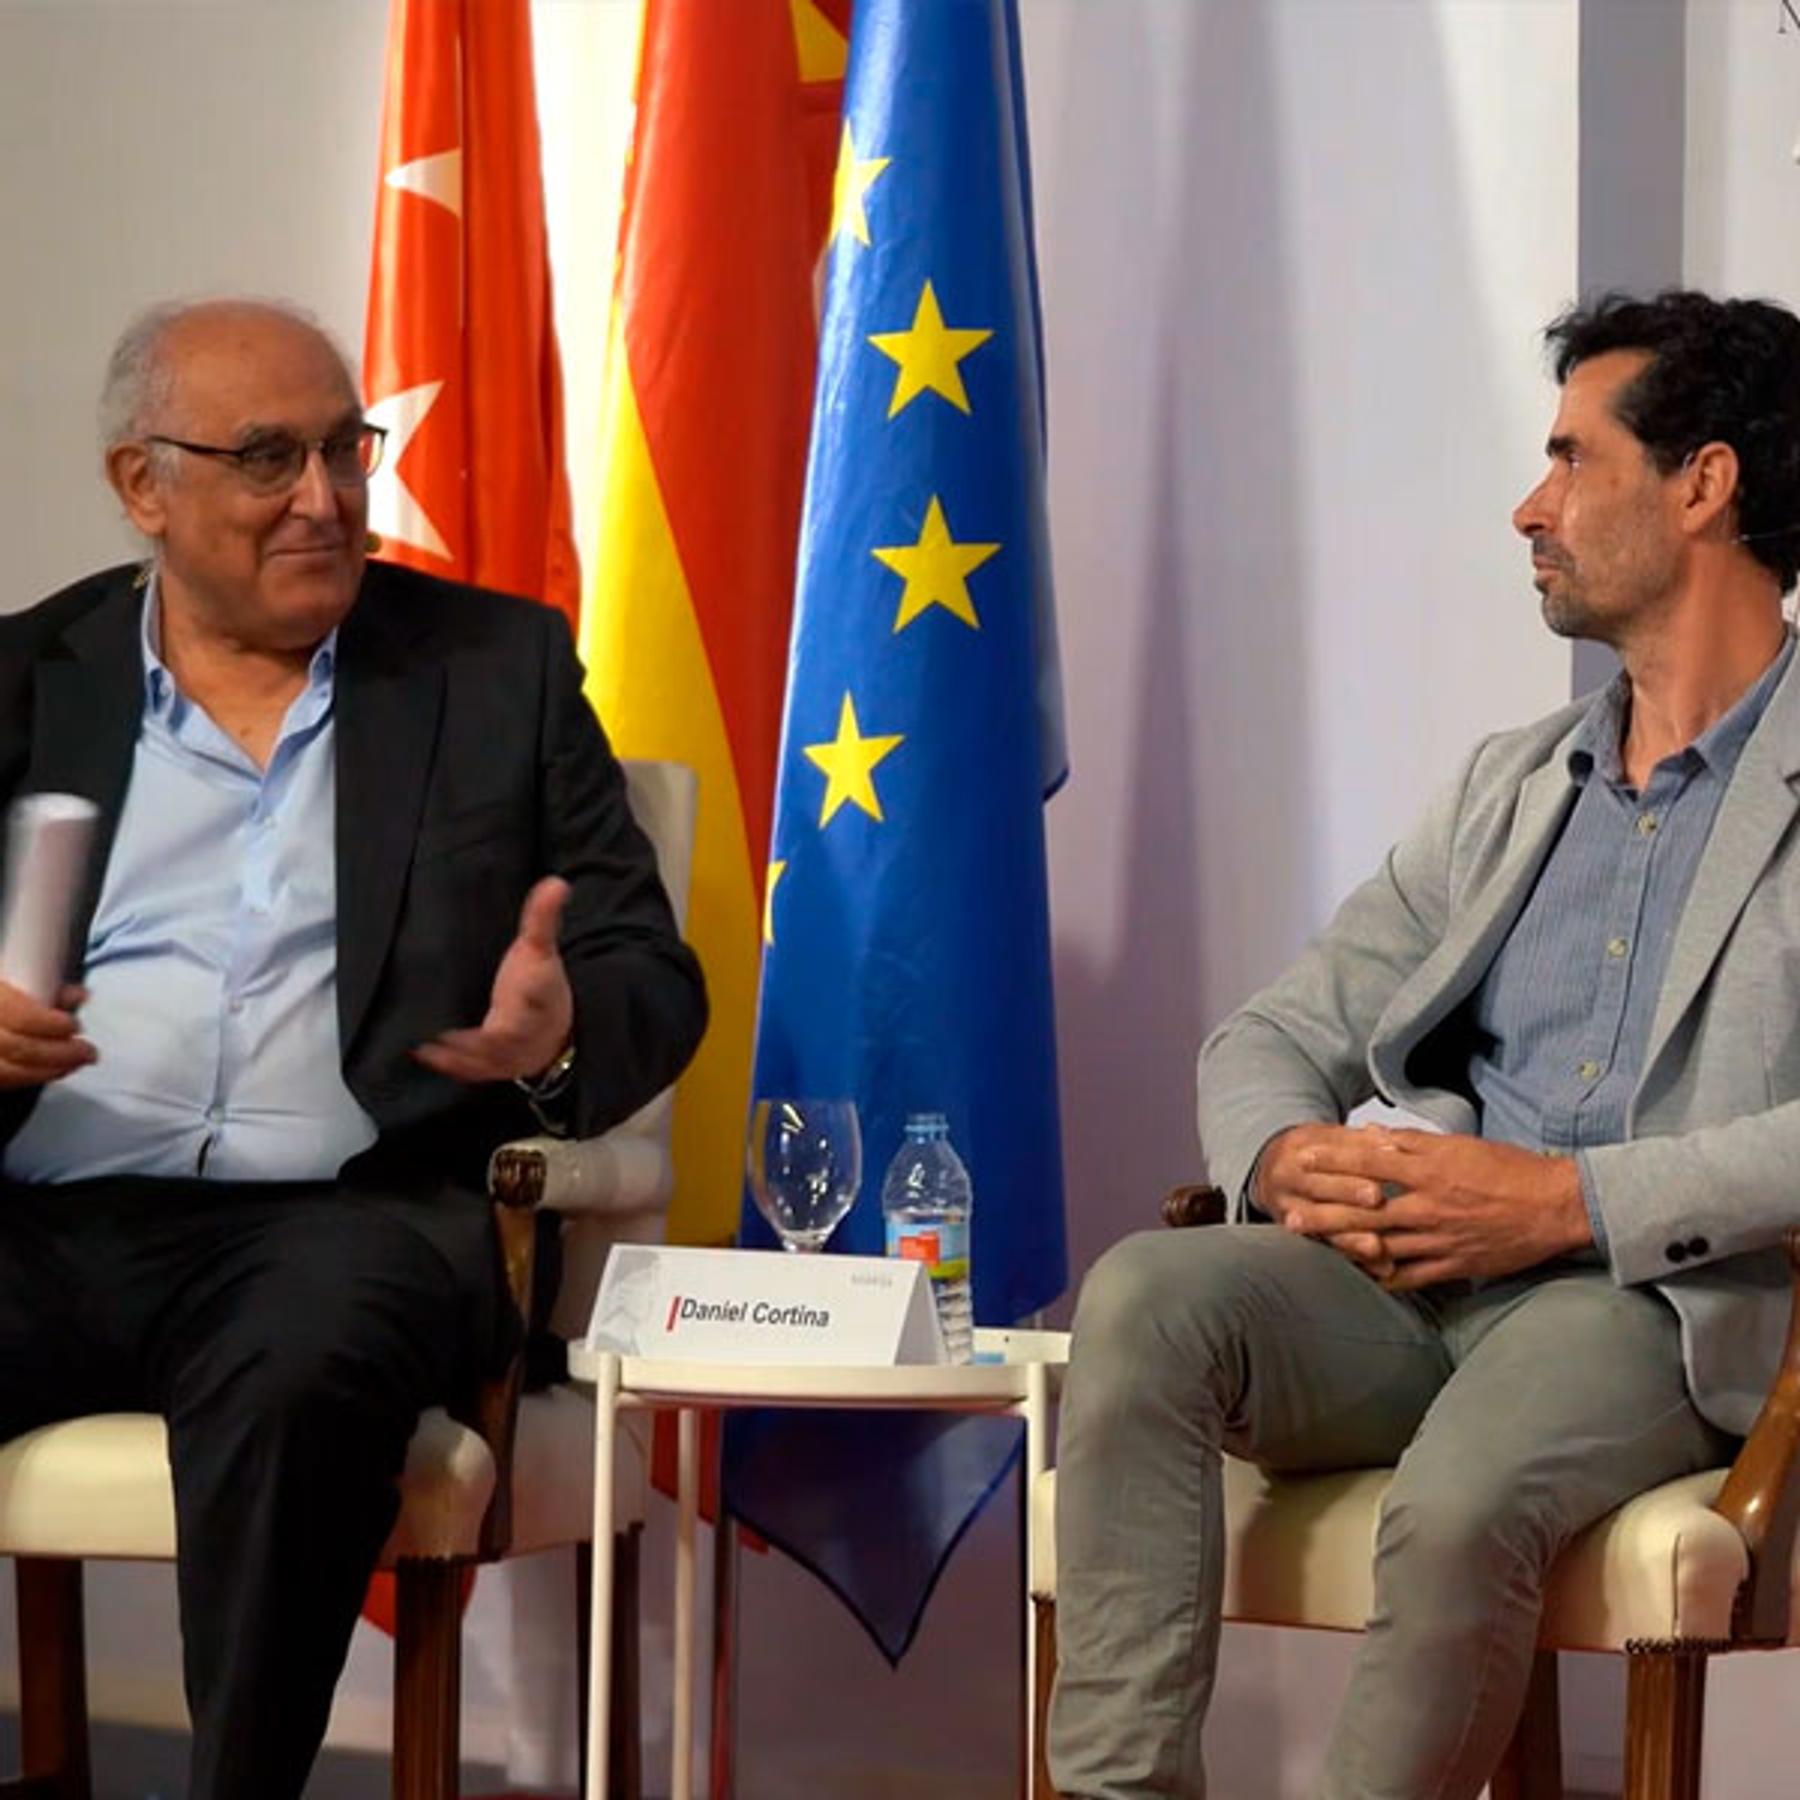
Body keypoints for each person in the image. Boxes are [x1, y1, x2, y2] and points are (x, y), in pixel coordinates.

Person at [1048, 289, 1800, 1799]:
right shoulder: (1510, 786)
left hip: (1648, 1309)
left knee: (1454, 1508)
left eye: (1573, 459)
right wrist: (1285, 1156)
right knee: (1146, 1295)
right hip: (1414, 1286)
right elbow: (1274, 1029)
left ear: (1703, 486)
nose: (1532, 506)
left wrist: (1568, 1202)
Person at [0, 298, 707, 1799]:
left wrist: (560, 1029)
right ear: (142, 486)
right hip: (46, 1217)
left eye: (343, 448)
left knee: (302, 1361)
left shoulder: (494, 670)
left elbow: (648, 969)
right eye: (268, 458)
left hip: (343, 1221)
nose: (323, 499)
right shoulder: (23, 675)